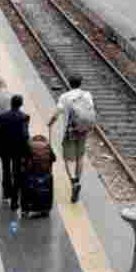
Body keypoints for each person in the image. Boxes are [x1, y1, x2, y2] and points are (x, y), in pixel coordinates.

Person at [49, 74, 95, 203]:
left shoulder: (65, 97)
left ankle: (73, 182)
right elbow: (90, 110)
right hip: (83, 130)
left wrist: (51, 121)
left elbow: (57, 112)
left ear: (69, 83)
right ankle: (78, 180)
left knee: (68, 159)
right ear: (81, 83)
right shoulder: (87, 95)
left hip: (70, 131)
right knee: (80, 156)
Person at [0, 94, 31, 211]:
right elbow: (25, 135)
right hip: (18, 149)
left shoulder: (3, 116)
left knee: (6, 170)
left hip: (5, 148)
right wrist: (27, 151)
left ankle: (6, 193)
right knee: (17, 174)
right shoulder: (24, 117)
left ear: (11, 103)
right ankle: (15, 201)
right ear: (21, 104)